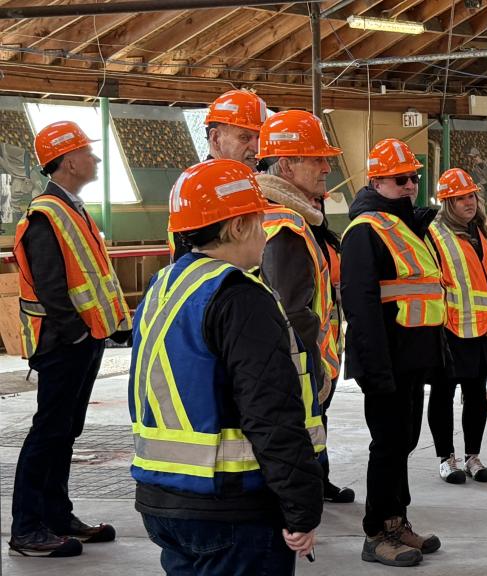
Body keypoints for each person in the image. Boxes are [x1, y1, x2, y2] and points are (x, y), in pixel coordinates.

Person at [130, 159, 325, 575]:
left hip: (164, 500)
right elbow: (271, 410)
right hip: (233, 507)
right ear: (237, 227)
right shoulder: (240, 296)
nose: (265, 231)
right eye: (259, 219)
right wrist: (301, 505)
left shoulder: (166, 285)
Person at [8, 121, 132, 558]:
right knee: (49, 432)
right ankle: (26, 528)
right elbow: (51, 286)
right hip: (63, 344)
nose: (95, 158)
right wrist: (77, 333)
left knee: (64, 432)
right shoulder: (46, 214)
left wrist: (111, 328)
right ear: (68, 160)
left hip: (84, 340)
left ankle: (57, 517)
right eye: (88, 151)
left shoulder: (73, 208)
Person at [340, 137, 444, 567]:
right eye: (401, 179)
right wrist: (376, 368)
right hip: (384, 360)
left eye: (415, 178)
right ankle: (376, 534)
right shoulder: (365, 230)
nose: (410, 186)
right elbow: (360, 307)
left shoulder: (404, 225)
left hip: (411, 358)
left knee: (404, 442)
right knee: (386, 445)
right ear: (376, 181)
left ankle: (397, 521)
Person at [255, 109, 353, 505]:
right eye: (316, 158)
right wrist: (310, 364)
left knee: (314, 425)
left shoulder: (303, 215)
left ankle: (317, 480)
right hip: (300, 361)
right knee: (298, 429)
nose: (327, 167)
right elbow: (291, 311)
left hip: (313, 358)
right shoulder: (284, 225)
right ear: (286, 164)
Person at [425, 168, 487, 484]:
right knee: (443, 393)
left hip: (485, 327)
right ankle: (446, 458)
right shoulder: (434, 235)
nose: (468, 202)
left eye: (471, 195)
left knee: (476, 392)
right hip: (449, 328)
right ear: (447, 203)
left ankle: (473, 456)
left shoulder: (485, 233)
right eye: (460, 198)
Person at [172, 89, 267, 261]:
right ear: (215, 138)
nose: (256, 148)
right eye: (245, 137)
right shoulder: (197, 191)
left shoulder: (247, 185)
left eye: (258, 138)